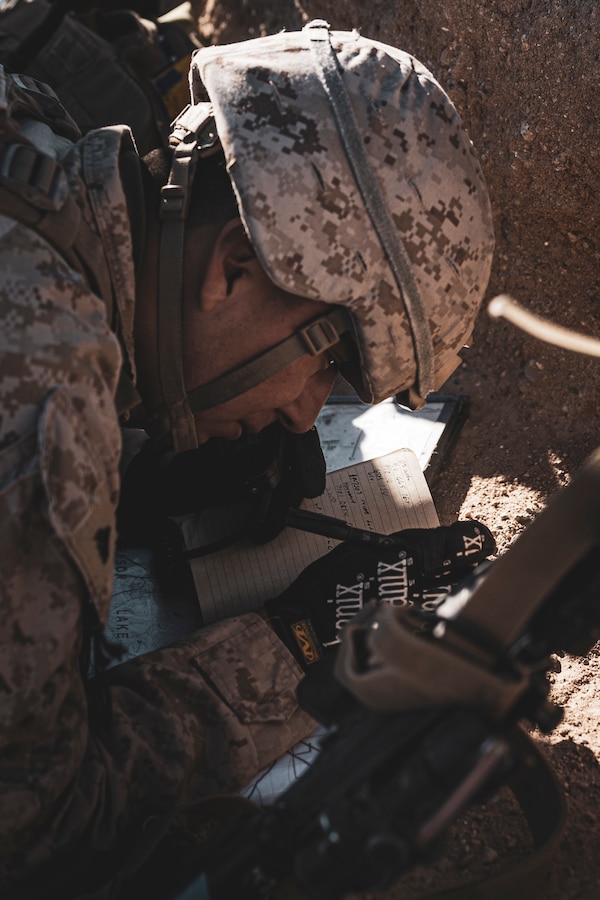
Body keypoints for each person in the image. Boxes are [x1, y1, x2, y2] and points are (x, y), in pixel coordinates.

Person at [0, 20, 495, 899]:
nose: (309, 411)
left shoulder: (36, 139)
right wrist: (292, 649)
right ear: (231, 266)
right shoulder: (47, 390)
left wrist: (138, 456)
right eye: (328, 361)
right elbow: (37, 821)